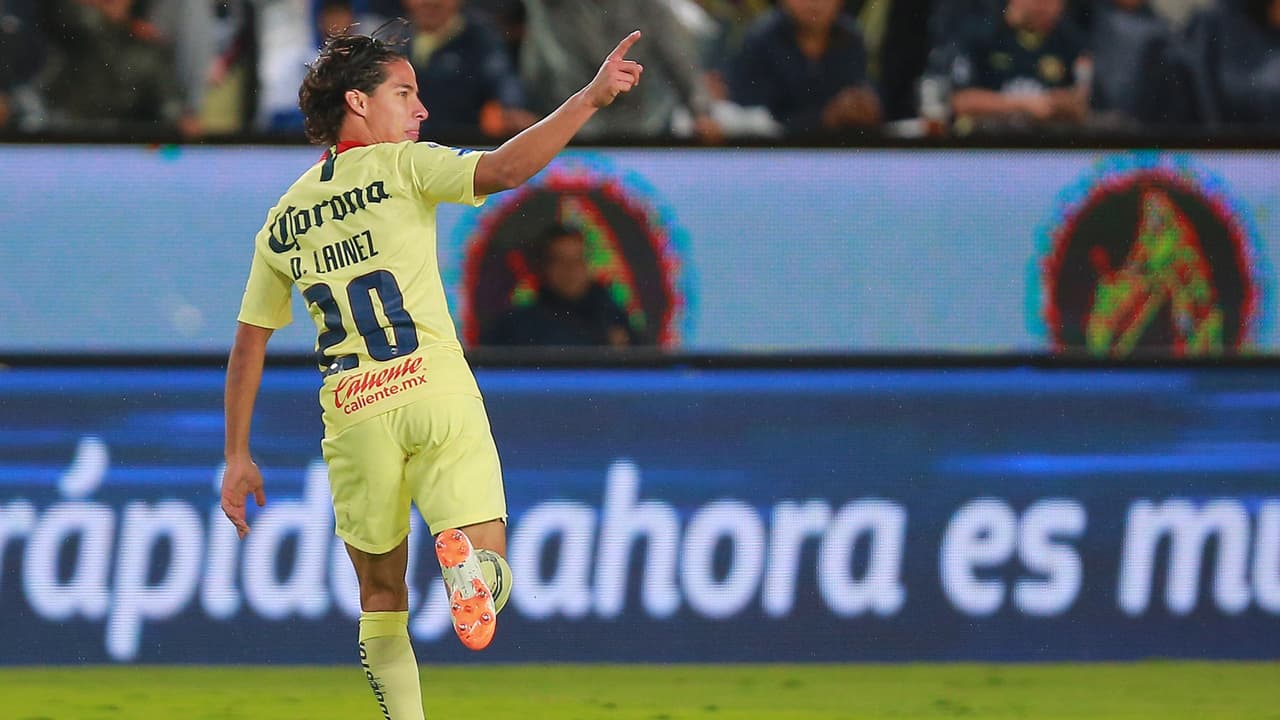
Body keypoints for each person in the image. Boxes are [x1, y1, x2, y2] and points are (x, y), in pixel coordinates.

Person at [220, 25, 644, 720]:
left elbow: (249, 343)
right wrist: (589, 100)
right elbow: (505, 170)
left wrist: (238, 454)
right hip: (433, 389)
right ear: (358, 102)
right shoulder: (402, 166)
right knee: (488, 564)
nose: (420, 109)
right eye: (405, 93)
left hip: (354, 412)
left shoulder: (283, 220)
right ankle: (472, 571)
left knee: (381, 597)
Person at [728, 0, 883, 135]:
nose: (814, 3)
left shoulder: (852, 40)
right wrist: (824, 119)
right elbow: (750, 120)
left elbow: (865, 95)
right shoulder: (760, 41)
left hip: (839, 152)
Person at [482, 224, 643, 348]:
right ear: (542, 266)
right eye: (559, 260)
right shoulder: (516, 327)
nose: (570, 269)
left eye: (577, 260)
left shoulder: (615, 320)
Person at [947, 0, 1090, 133]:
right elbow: (960, 101)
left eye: (1056, 3)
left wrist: (1058, 103)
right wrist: (1021, 104)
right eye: (1041, 2)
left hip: (1048, 143)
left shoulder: (1068, 40)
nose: (1050, 9)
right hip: (987, 142)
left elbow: (1081, 106)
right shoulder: (983, 34)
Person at [400, 0, 535, 139]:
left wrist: (513, 108)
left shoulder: (481, 38)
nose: (431, 2)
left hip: (462, 142)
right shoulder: (392, 38)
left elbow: (503, 80)